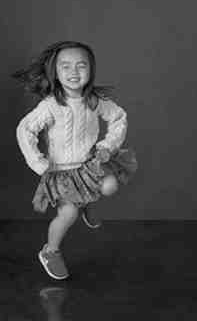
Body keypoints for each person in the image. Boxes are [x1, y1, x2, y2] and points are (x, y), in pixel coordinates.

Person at [13, 41, 137, 280]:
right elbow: (24, 129)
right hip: (62, 172)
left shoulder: (94, 100)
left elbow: (118, 118)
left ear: (91, 70)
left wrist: (107, 146)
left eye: (81, 66)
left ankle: (86, 201)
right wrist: (38, 162)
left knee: (110, 186)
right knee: (68, 215)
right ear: (56, 72)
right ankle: (50, 251)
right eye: (66, 66)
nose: (74, 72)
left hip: (89, 166)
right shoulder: (50, 106)